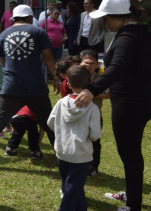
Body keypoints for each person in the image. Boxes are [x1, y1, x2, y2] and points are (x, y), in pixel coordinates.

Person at [73, 0, 151, 211]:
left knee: (130, 153)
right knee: (133, 154)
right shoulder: (144, 32)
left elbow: (117, 67)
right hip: (146, 97)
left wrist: (91, 89)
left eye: (105, 19)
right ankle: (133, 193)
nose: (104, 23)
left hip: (130, 102)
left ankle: (133, 204)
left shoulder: (127, 37)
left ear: (118, 17)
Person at [0, 4, 59, 166]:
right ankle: (63, 155)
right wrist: (55, 77)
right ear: (30, 18)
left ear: (13, 19)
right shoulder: (39, 32)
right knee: (48, 122)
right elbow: (48, 57)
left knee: (0, 120)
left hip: (11, 85)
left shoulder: (4, 34)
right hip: (36, 86)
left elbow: (3, 60)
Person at [48, 65, 102, 211]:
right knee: (72, 190)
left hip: (62, 151)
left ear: (68, 84)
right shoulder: (92, 108)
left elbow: (50, 123)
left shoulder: (60, 103)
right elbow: (95, 135)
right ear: (90, 83)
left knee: (72, 187)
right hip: (80, 155)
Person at [79, 50, 108, 177]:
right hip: (78, 115)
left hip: (94, 116)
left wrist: (93, 92)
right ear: (80, 62)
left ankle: (93, 166)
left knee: (95, 141)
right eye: (86, 62)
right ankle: (79, 164)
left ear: (97, 64)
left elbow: (108, 94)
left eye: (92, 63)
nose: (89, 66)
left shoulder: (102, 77)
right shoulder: (76, 75)